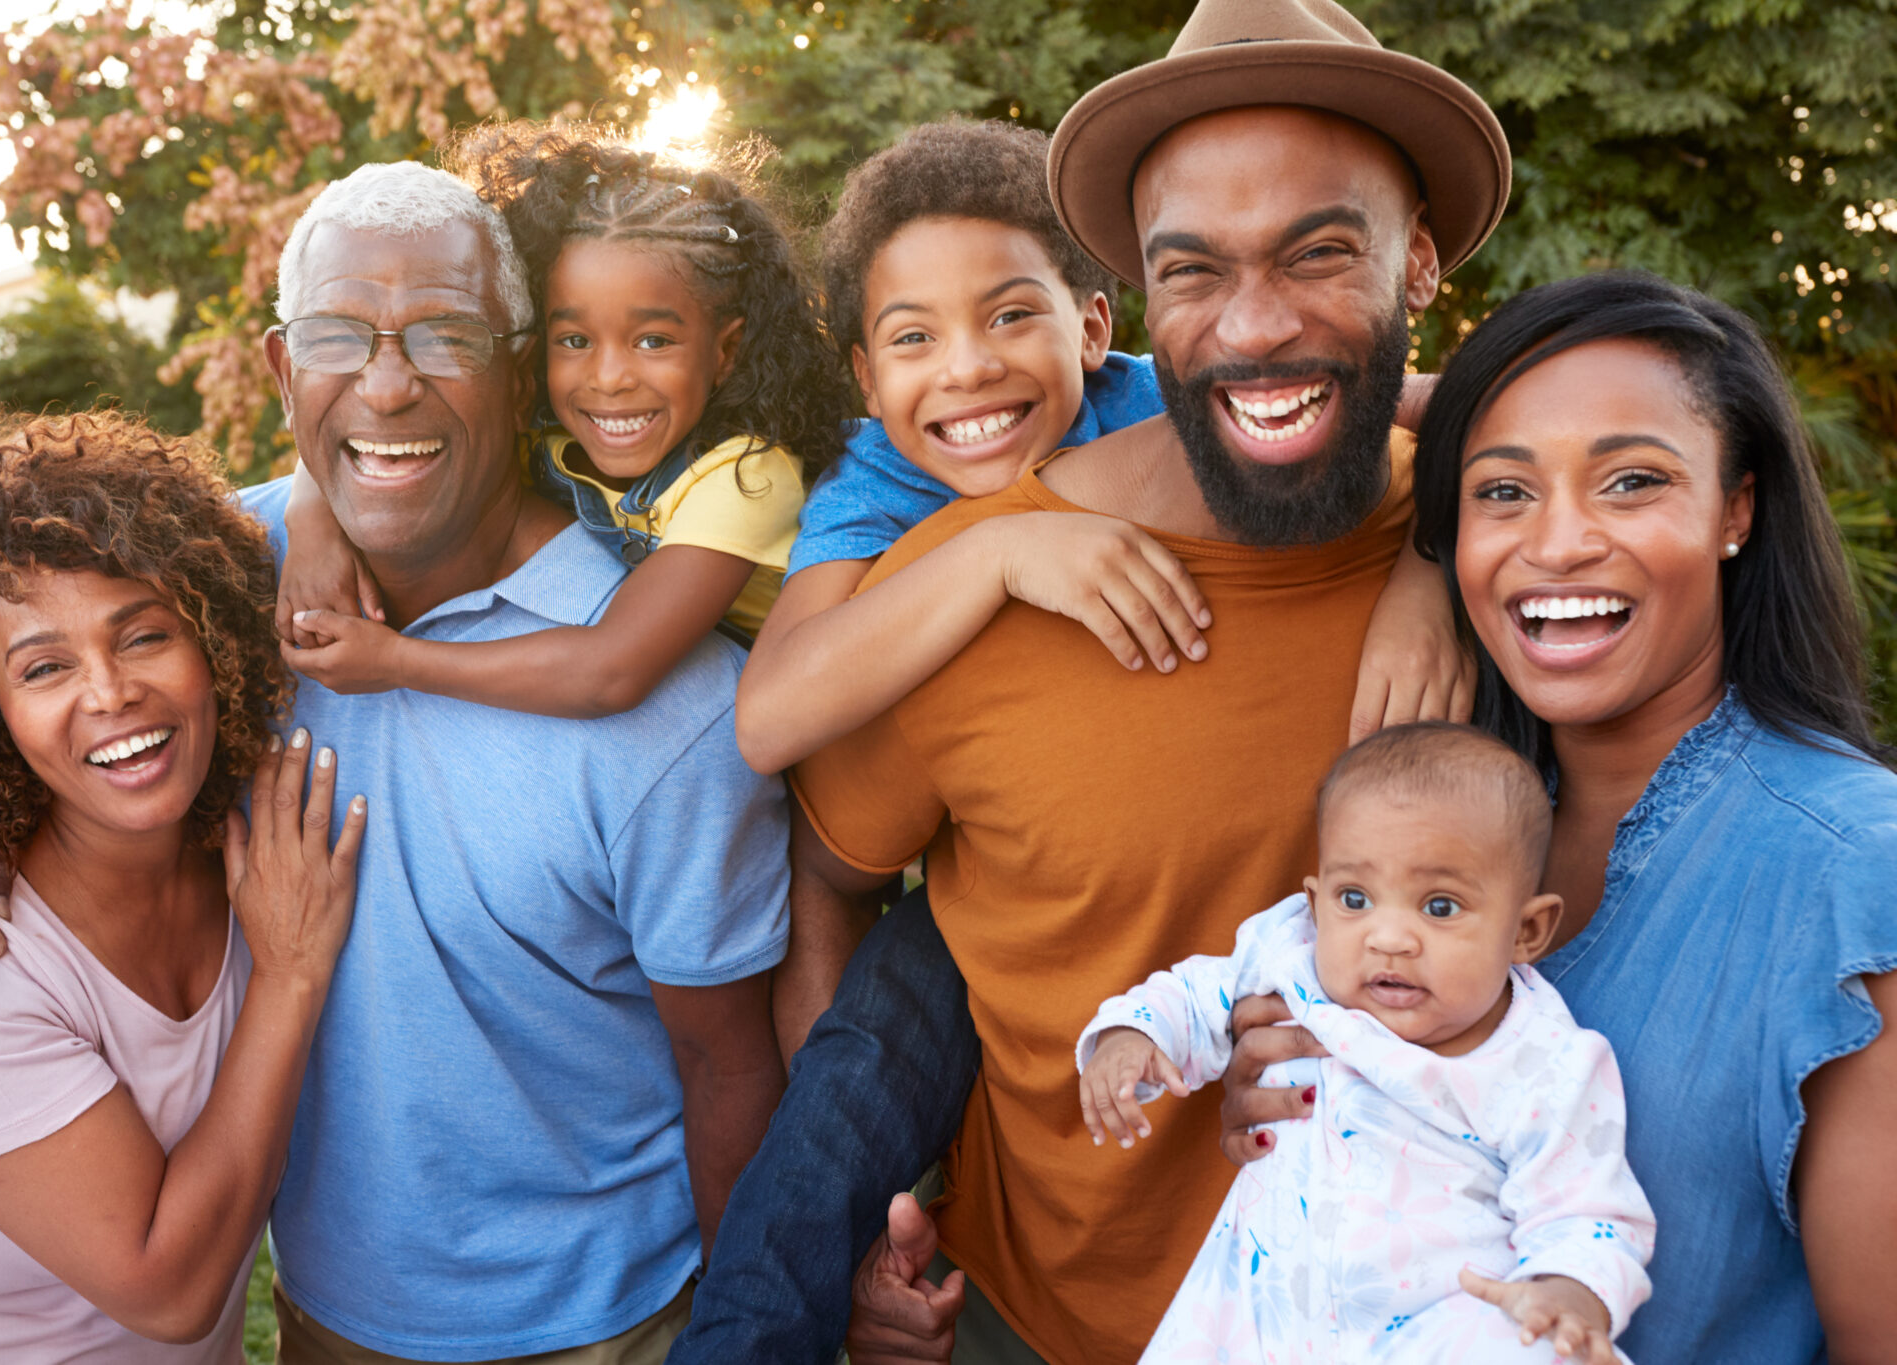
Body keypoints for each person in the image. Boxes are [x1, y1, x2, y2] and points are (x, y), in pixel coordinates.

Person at [678, 0, 1520, 1359]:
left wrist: (1436, 556)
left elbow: (1503, 414)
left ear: (1418, 260)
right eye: (1198, 269)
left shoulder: (1517, 554)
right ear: (1154, 289)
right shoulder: (945, 567)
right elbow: (816, 836)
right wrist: (888, 1204)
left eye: (1317, 250)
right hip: (1048, 1308)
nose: (1253, 324)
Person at [0, 161, 792, 1364]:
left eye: (443, 335)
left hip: (606, 1326)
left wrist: (747, 1333)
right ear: (286, 372)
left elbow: (727, 1065)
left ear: (516, 367)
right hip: (329, 1324)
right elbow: (37, 674)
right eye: (340, 337)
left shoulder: (671, 707)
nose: (387, 383)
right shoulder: (206, 589)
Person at [1380, 270, 1889, 1362]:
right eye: (1502, 493)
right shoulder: (1433, 833)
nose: (1556, 544)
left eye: (1629, 482)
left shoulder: (1853, 874)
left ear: (1735, 509)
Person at [0, 412, 363, 1361]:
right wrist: (289, 976)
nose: (109, 691)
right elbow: (168, 1289)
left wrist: (319, 493)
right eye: (44, 666)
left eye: (145, 635)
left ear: (217, 644)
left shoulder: (243, 848)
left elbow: (363, 458)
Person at [1079, 723, 1652, 1365]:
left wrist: (1569, 1294)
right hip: (1254, 1312)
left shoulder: (1545, 1061)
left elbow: (1586, 1213)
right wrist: (1134, 1035)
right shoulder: (1295, 954)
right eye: (1356, 899)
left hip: (1428, 1333)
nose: (1389, 938)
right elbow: (1195, 993)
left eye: (1439, 907)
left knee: (1527, 1344)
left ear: (1526, 931)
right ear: (1317, 906)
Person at [273, 126, 854, 714]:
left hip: (790, 718)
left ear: (724, 352)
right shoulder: (555, 430)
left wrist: (396, 660)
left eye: (652, 341)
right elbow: (363, 437)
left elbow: (611, 670)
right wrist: (312, 528)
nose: (608, 378)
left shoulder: (745, 478)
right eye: (574, 339)